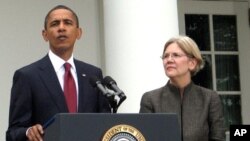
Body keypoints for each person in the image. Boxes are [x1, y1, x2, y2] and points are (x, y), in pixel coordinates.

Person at [6, 5, 111, 141]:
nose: (61, 28)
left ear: (79, 33)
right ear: (45, 34)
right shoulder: (27, 76)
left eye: (67, 23)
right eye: (55, 24)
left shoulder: (93, 74)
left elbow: (105, 123)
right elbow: (13, 133)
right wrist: (28, 132)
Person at [139, 35, 225, 141]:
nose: (169, 60)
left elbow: (218, 138)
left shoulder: (210, 98)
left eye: (176, 55)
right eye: (165, 56)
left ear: (192, 63)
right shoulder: (150, 99)